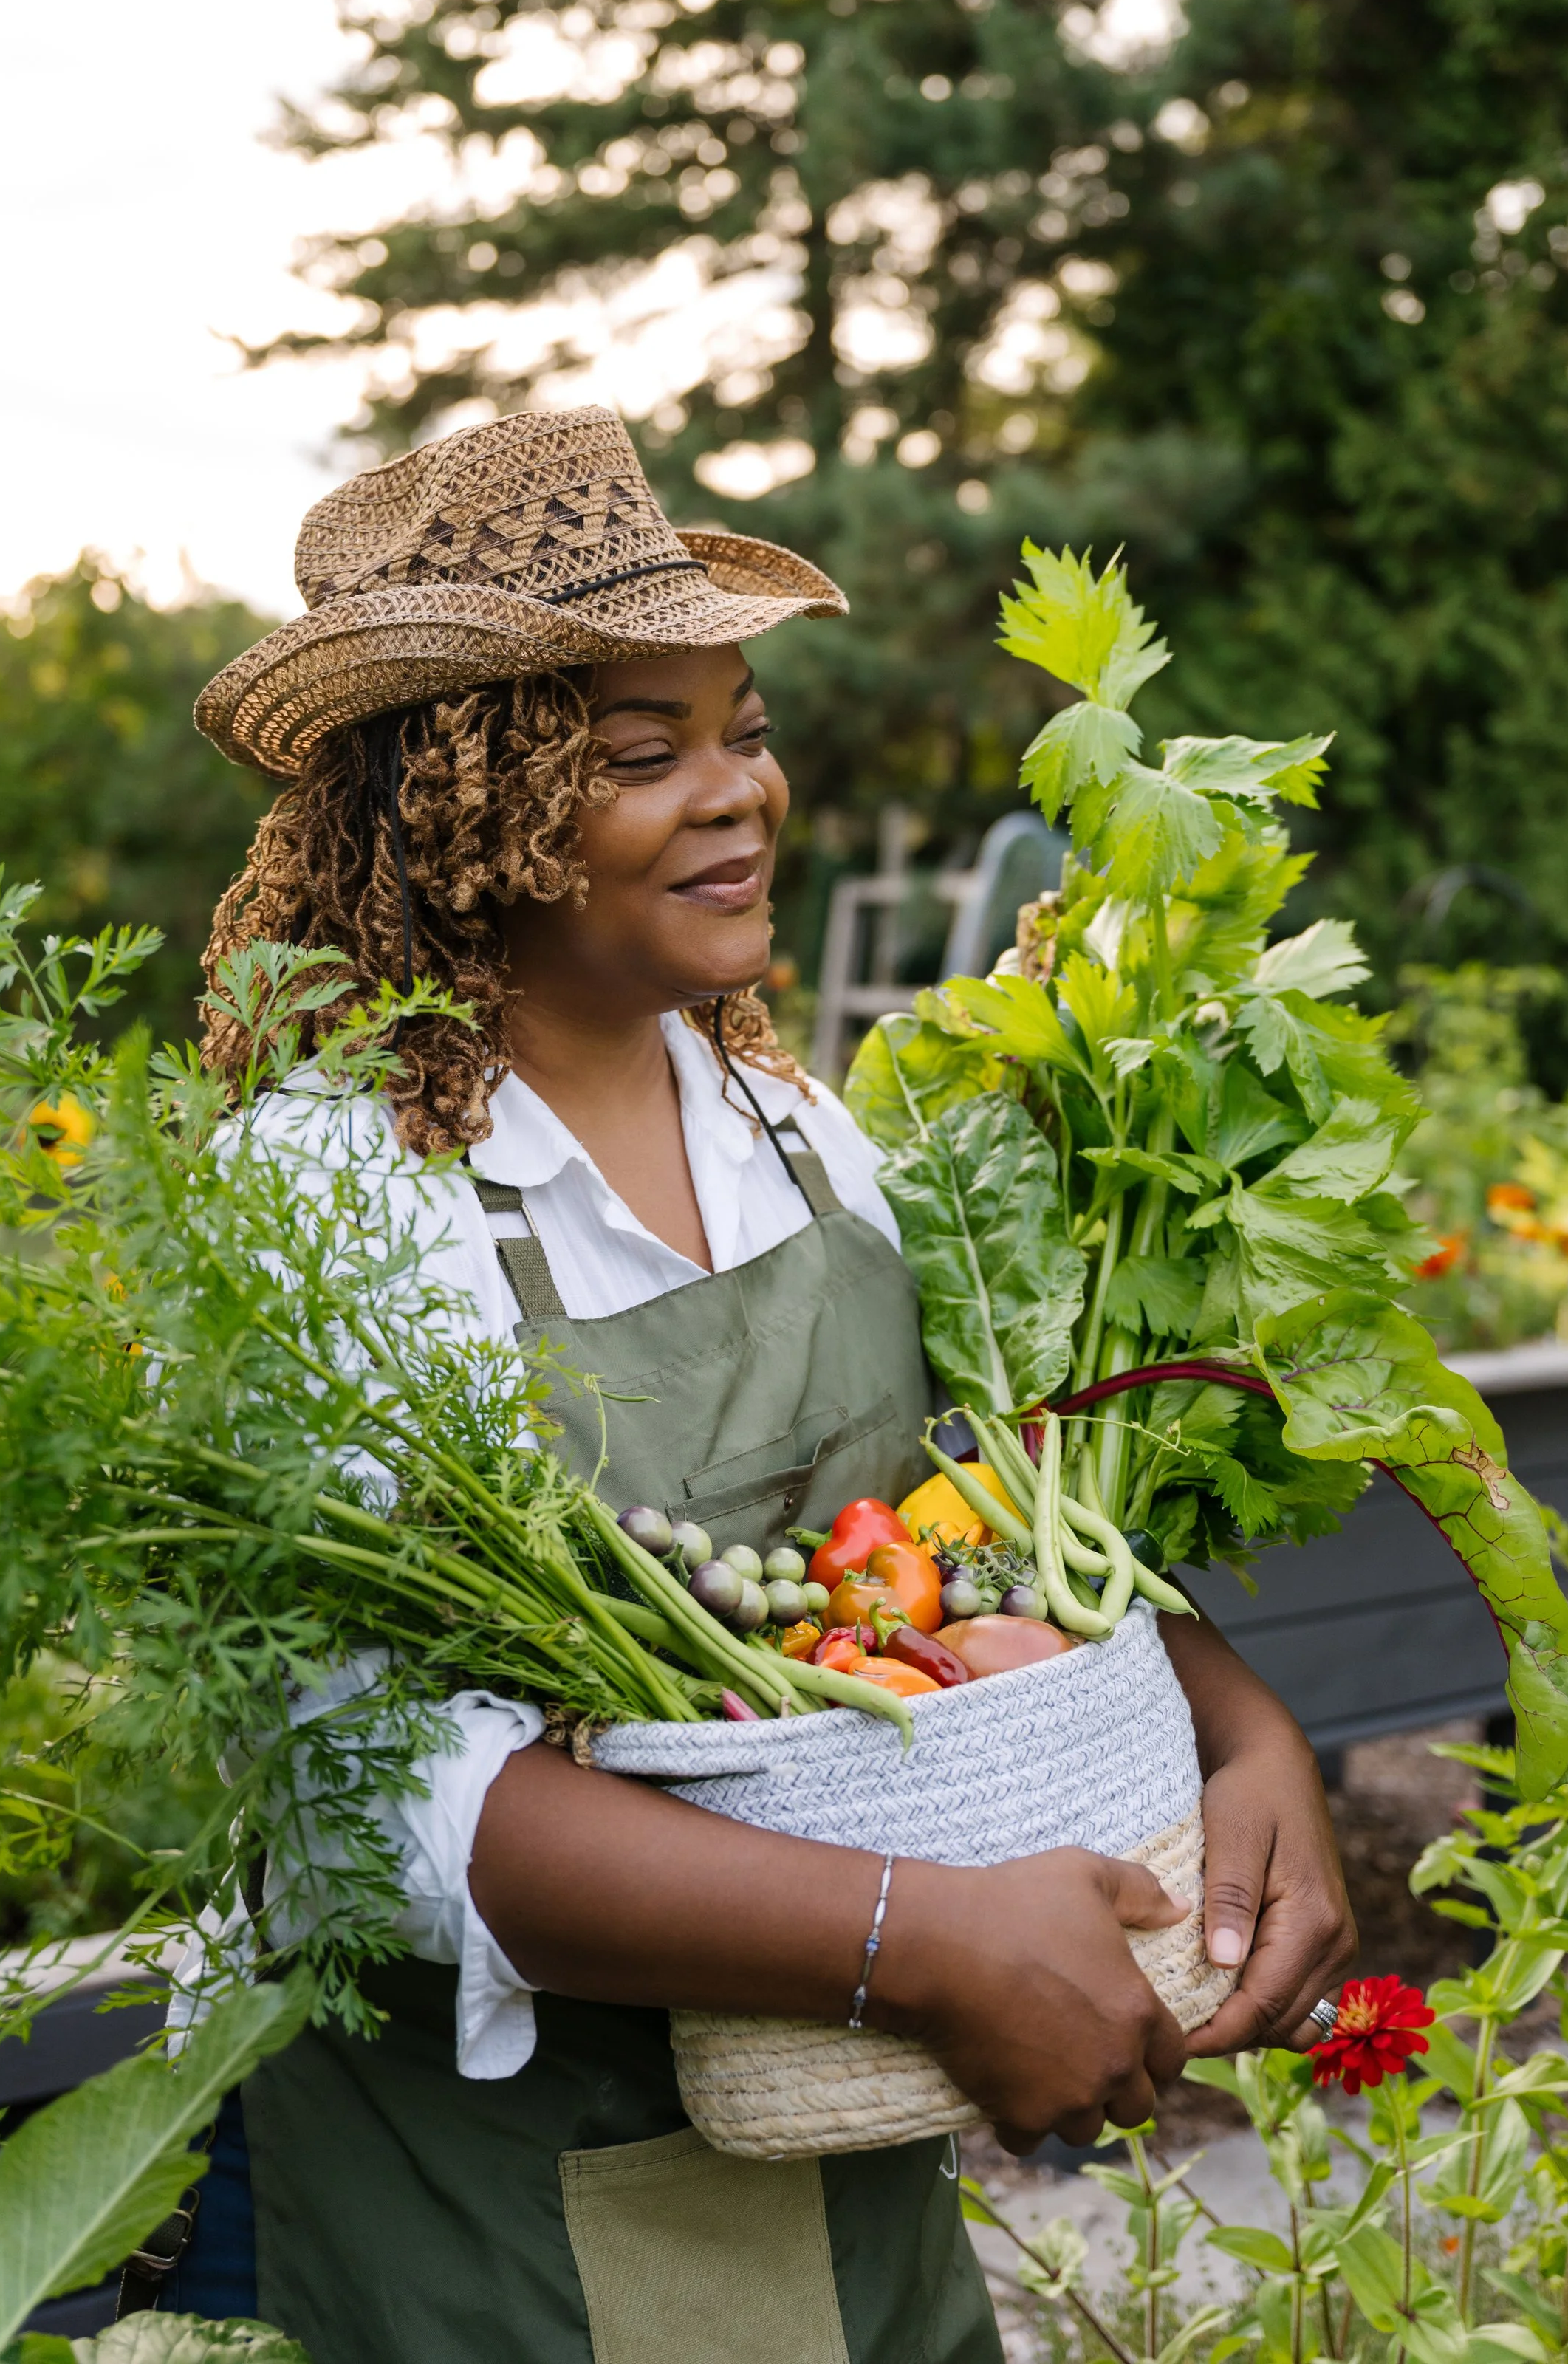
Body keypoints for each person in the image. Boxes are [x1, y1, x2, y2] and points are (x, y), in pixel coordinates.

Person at [164, 405, 1354, 2364]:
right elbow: (351, 1788)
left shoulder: (796, 1130)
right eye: (640, 754)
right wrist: (916, 1938)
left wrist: (1243, 1738)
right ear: (456, 811)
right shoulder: (328, 1191)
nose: (734, 792)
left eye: (744, 729)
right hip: (497, 2209)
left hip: (840, 2134)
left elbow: (959, 1538)